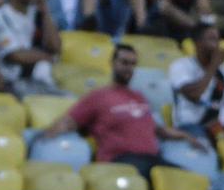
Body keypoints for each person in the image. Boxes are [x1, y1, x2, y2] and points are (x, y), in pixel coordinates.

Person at [41, 44, 195, 182]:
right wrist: (45, 137)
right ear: (113, 63)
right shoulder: (98, 96)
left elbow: (157, 129)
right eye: (124, 62)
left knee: (189, 180)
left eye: (133, 64)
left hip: (151, 159)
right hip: (120, 160)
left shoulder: (139, 97)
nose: (129, 68)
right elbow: (70, 121)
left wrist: (187, 136)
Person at [169, 21, 224, 142]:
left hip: (221, 129)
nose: (217, 44)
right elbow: (194, 94)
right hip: (192, 127)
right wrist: (213, 66)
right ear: (197, 43)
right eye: (212, 39)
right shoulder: (180, 66)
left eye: (218, 40)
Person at [0, 0, 62, 96]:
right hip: (11, 82)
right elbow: (15, 56)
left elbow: (55, 48)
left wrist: (45, 12)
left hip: (40, 80)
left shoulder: (39, 14)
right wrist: (49, 57)